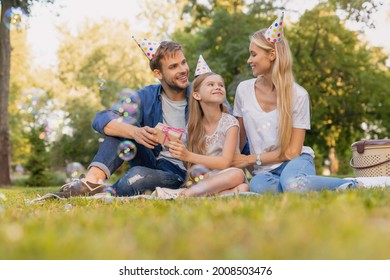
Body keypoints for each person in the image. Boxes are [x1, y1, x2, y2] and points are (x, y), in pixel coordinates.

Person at [232, 13, 360, 193]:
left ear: (272, 54)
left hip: (295, 161)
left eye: (253, 54)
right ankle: (302, 186)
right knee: (260, 187)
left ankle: (351, 184)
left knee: (291, 183)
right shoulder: (243, 90)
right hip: (264, 171)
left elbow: (292, 152)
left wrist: (248, 159)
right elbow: (239, 139)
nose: (249, 60)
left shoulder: (298, 95)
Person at [56, 37, 191, 197]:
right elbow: (101, 118)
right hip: (153, 161)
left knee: (135, 178)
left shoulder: (202, 95)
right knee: (120, 128)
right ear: (158, 73)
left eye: (183, 63)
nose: (183, 70)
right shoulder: (147, 95)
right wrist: (134, 132)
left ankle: (106, 192)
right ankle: (91, 182)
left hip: (180, 172)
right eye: (174, 66)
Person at [166, 55, 249, 197]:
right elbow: (189, 163)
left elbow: (225, 162)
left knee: (238, 178)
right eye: (210, 84)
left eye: (220, 85)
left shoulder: (230, 122)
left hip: (225, 176)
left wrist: (188, 155)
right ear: (197, 95)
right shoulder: (193, 127)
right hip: (203, 178)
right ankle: (205, 194)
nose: (217, 87)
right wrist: (174, 146)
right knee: (241, 189)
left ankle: (192, 194)